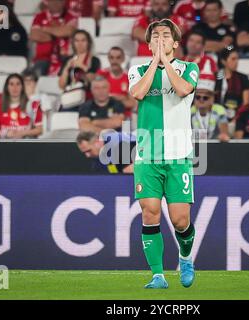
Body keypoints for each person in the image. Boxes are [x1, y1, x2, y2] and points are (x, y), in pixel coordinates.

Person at [128, 19, 199, 289]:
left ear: (176, 43)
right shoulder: (137, 70)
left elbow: (182, 90)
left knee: (181, 220)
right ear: (148, 44)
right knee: (150, 213)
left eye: (166, 36)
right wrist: (154, 62)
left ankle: (185, 257)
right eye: (155, 36)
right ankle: (158, 274)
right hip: (147, 155)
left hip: (178, 155)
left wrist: (165, 62)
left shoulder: (189, 68)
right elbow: (138, 93)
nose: (161, 39)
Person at [30, 0, 77, 76]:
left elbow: (69, 31)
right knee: (33, 78)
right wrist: (58, 31)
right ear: (48, 2)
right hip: (42, 58)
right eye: (52, 1)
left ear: (63, 2)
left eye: (58, 1)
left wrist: (45, 29)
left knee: (68, 73)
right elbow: (34, 35)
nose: (55, 3)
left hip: (64, 57)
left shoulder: (70, 16)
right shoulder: (40, 16)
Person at [0, 74, 43, 139]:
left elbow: (39, 130)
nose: (15, 87)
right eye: (11, 84)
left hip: (26, 144)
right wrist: (6, 133)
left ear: (22, 87)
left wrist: (22, 133)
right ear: (7, 87)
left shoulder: (33, 105)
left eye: (18, 84)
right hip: (4, 145)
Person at [59, 29, 101, 101]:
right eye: (77, 41)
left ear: (88, 43)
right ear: (73, 43)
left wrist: (81, 65)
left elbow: (92, 79)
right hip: (70, 96)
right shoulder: (67, 60)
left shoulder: (94, 60)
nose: (80, 43)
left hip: (87, 97)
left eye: (83, 40)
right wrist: (66, 68)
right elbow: (62, 86)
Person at [96, 47, 137, 120]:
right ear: (108, 59)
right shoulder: (101, 74)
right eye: (112, 58)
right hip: (103, 114)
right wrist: (121, 98)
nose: (114, 61)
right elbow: (97, 99)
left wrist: (110, 98)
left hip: (124, 116)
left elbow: (132, 103)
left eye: (118, 58)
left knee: (126, 127)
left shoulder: (129, 77)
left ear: (123, 59)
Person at [215, 46, 249, 121]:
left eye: (237, 59)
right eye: (233, 59)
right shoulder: (215, 77)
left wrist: (236, 119)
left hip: (236, 118)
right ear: (223, 61)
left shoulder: (243, 78)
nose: (236, 62)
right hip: (214, 117)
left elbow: (246, 103)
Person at [191, 75, 230, 141]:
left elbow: (224, 133)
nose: (201, 100)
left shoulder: (219, 110)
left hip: (215, 147)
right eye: (198, 97)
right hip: (196, 146)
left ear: (212, 99)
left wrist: (223, 135)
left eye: (205, 98)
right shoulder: (190, 111)